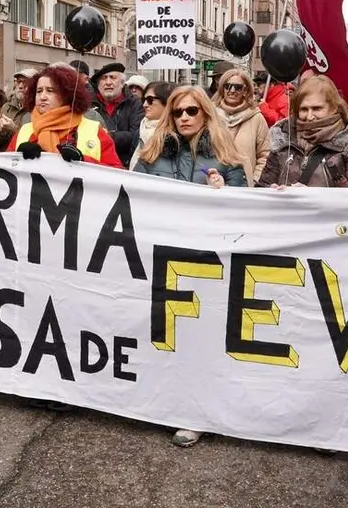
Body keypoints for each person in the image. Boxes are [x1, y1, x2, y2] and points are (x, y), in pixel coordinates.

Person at [134, 85, 245, 447]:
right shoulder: (151, 154)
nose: (184, 117)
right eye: (178, 111)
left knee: (199, 341)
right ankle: (156, 403)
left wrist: (225, 192)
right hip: (160, 256)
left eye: (191, 111)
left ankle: (195, 414)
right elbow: (131, 196)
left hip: (205, 264)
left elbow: (246, 210)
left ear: (205, 114)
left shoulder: (226, 158)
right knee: (161, 335)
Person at [257, 75, 348, 189]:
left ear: (334, 108)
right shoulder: (284, 141)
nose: (309, 116)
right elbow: (262, 187)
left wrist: (314, 197)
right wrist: (270, 190)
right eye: (304, 109)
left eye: (317, 108)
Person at [6, 64, 123, 168]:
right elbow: (4, 171)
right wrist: (18, 158)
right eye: (39, 91)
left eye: (50, 91)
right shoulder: (24, 132)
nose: (42, 97)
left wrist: (83, 161)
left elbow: (117, 175)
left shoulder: (94, 131)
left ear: (67, 95)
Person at [211, 69, 270, 186]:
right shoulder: (210, 115)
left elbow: (265, 155)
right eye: (228, 86)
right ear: (222, 88)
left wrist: (254, 181)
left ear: (245, 90)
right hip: (213, 183)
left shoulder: (257, 118)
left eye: (237, 87)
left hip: (244, 187)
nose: (232, 91)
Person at [91, 63, 145, 168]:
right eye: (104, 78)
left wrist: (107, 136)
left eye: (113, 77)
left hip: (124, 166)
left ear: (122, 83)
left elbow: (136, 135)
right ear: (98, 84)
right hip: (96, 164)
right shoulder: (88, 105)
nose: (108, 82)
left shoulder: (135, 104)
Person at [130, 80, 175, 170]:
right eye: (144, 100)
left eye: (150, 100)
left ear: (167, 101)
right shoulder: (139, 131)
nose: (145, 105)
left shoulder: (175, 136)